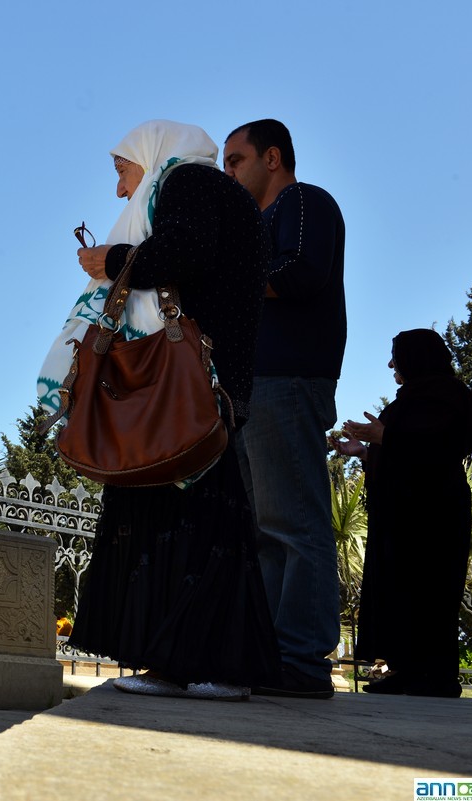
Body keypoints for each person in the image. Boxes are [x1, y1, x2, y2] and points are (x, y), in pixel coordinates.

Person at [51, 120, 280, 700]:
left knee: (190, 518)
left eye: (122, 170)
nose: (121, 189)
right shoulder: (213, 191)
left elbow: (187, 251)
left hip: (189, 385)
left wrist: (117, 259)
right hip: (209, 382)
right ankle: (199, 666)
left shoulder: (187, 184)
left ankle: (199, 667)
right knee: (209, 520)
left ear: (149, 154)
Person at [222, 119, 346, 699]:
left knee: (294, 522)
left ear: (272, 157)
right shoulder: (256, 225)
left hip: (289, 382)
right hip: (256, 387)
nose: (229, 172)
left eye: (235, 160)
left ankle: (301, 659)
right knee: (266, 530)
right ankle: (275, 655)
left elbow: (300, 273)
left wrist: (227, 283)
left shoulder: (304, 201)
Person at [332, 329, 472, 698]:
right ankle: (406, 671)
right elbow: (407, 451)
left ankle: (433, 676)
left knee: (429, 590)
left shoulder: (447, 397)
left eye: (396, 356)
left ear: (415, 357)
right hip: (403, 516)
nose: (390, 364)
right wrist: (366, 452)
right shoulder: (416, 399)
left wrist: (385, 437)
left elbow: (439, 445)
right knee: (400, 591)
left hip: (435, 515)